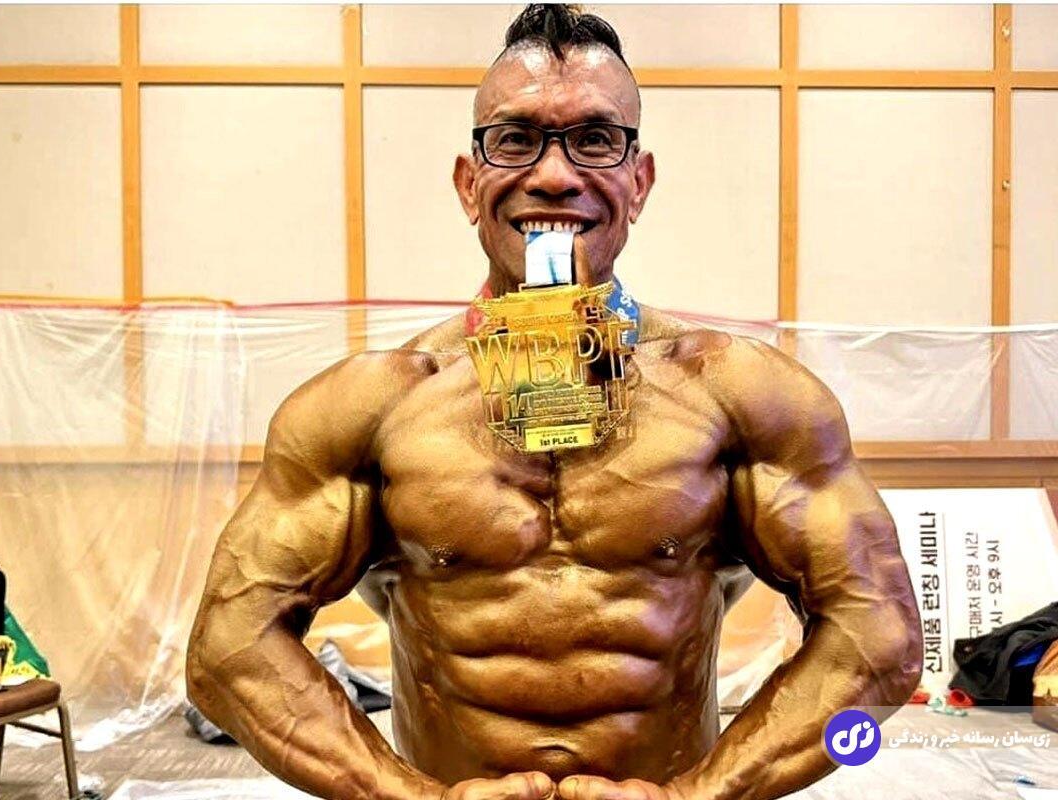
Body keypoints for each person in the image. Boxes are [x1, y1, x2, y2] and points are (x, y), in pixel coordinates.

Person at [187, 6, 923, 799]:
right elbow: (226, 654)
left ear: (638, 183)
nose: (554, 175)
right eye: (515, 139)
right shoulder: (373, 407)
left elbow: (882, 644)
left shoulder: (742, 396)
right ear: (469, 184)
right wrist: (401, 797)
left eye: (596, 139)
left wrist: (706, 796)